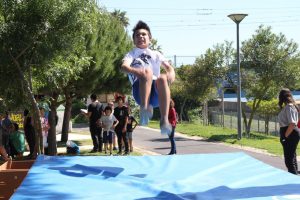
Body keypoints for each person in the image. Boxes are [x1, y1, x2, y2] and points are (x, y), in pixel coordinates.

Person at [121, 20, 175, 135]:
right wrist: (136, 72)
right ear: (134, 40)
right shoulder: (132, 53)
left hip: (156, 94)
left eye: (143, 34)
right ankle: (144, 108)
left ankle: (164, 120)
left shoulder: (156, 54)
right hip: (140, 91)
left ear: (150, 38)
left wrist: (170, 75)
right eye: (137, 35)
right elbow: (124, 66)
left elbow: (169, 68)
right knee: (147, 71)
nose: (141, 36)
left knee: (162, 78)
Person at [278, 88, 300, 175]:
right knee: (292, 156)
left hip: (290, 133)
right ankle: (295, 175)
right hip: (291, 133)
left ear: (281, 97)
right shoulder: (291, 106)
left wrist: (285, 137)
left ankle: (293, 178)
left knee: (289, 159)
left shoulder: (289, 107)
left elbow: (292, 124)